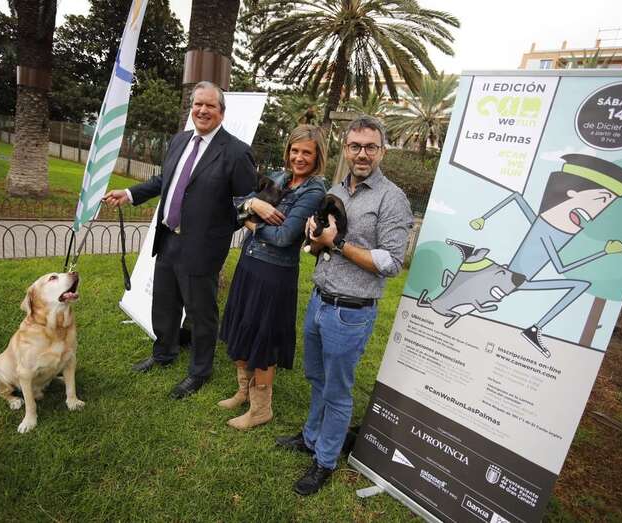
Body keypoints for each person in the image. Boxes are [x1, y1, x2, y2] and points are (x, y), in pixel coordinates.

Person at [275, 115, 413, 495]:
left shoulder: (392, 198)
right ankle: (310, 437)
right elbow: (323, 243)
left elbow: (390, 262)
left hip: (351, 313)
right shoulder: (337, 187)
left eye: (370, 146)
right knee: (317, 380)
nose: (362, 153)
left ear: (383, 150)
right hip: (320, 301)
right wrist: (315, 238)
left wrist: (336, 244)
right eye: (355, 146)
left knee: (337, 391)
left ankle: (324, 460)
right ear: (346, 149)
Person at [103, 81, 256, 399]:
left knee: (201, 313)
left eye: (209, 106)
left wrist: (219, 233)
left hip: (202, 249)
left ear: (221, 113)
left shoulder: (237, 152)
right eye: (198, 104)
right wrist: (130, 194)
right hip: (168, 238)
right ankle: (164, 352)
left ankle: (200, 371)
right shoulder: (180, 140)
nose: (202, 110)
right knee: (165, 303)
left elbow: (246, 200)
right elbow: (165, 180)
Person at [469, 154, 622, 357]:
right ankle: (534, 330)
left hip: (517, 278)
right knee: (580, 285)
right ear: (571, 192)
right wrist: (603, 252)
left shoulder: (549, 224)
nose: (600, 209)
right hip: (518, 280)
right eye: (602, 199)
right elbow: (562, 268)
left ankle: (532, 329)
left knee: (580, 285)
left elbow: (516, 197)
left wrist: (483, 218)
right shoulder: (548, 232)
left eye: (608, 203)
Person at [218, 125, 327, 430]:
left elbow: (283, 237)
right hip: (250, 264)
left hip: (274, 275)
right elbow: (237, 204)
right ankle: (243, 391)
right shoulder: (279, 178)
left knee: (263, 337)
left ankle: (261, 408)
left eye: (307, 152)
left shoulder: (314, 190)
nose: (299, 157)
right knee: (242, 325)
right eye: (295, 150)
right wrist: (254, 204)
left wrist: (251, 223)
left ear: (318, 155)